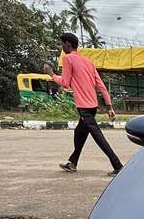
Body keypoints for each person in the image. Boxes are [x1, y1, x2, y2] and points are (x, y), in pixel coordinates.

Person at [49, 33, 123, 175]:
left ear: (68, 44)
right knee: (79, 133)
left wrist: (51, 74)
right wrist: (109, 106)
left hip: (83, 107)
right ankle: (72, 163)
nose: (62, 47)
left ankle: (118, 165)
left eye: (62, 44)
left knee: (97, 136)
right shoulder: (88, 62)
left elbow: (65, 83)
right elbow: (101, 85)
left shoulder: (68, 58)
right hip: (93, 106)